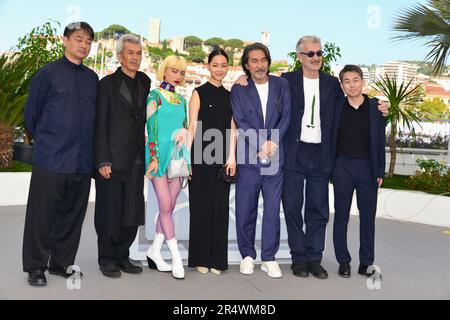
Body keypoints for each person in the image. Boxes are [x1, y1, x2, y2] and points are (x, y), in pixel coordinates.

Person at [281, 36, 389, 280]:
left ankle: (314, 258)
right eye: (310, 54)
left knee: (318, 209)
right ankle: (298, 257)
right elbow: (262, 84)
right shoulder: (287, 81)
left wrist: (381, 106)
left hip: (322, 155)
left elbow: (357, 101)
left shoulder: (332, 84)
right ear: (299, 56)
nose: (316, 57)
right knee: (292, 205)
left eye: (319, 53)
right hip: (295, 154)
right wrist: (244, 78)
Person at [22, 22, 98, 286]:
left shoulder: (92, 78)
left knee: (72, 216)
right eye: (78, 39)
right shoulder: (47, 73)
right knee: (41, 216)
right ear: (65, 40)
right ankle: (35, 267)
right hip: (51, 158)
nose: (84, 45)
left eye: (88, 41)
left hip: (81, 161)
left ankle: (61, 263)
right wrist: (49, 140)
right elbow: (31, 115)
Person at [231, 43, 291, 278]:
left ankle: (268, 257)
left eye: (263, 59)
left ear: (268, 61)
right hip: (248, 157)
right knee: (246, 209)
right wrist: (260, 144)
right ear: (247, 65)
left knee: (272, 210)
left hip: (275, 156)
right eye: (253, 61)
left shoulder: (282, 84)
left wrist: (271, 144)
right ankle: (247, 256)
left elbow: (286, 115)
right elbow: (240, 120)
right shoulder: (239, 89)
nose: (259, 65)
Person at [94, 34, 151, 278]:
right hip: (112, 160)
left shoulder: (145, 82)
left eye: (138, 54)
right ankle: (107, 258)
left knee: (132, 210)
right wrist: (103, 160)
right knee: (109, 212)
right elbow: (99, 125)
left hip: (136, 158)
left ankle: (122, 255)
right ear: (120, 57)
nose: (135, 58)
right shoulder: (106, 84)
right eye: (130, 53)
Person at [187, 48, 237, 276]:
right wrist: (187, 160)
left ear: (228, 68)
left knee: (220, 209)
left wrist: (231, 158)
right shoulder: (198, 93)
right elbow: (192, 128)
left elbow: (233, 130)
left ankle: (217, 260)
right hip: (200, 157)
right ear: (208, 66)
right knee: (200, 208)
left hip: (222, 159)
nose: (219, 69)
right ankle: (200, 258)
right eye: (215, 65)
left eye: (223, 66)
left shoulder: (231, 96)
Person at [332, 65, 385, 278]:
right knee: (341, 217)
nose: (352, 84)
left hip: (367, 168)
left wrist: (379, 170)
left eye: (355, 80)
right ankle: (343, 261)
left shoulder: (376, 108)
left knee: (367, 218)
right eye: (347, 81)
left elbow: (380, 142)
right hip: (342, 166)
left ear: (362, 81)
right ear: (342, 85)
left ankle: (366, 263)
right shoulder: (336, 107)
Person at [145, 55, 189, 280]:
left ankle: (154, 250)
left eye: (181, 72)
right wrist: (153, 158)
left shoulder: (182, 101)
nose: (178, 75)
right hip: (158, 157)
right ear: (164, 71)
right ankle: (176, 257)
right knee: (164, 205)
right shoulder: (154, 96)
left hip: (177, 158)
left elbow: (185, 131)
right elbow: (151, 128)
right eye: (174, 71)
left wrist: (187, 162)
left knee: (169, 207)